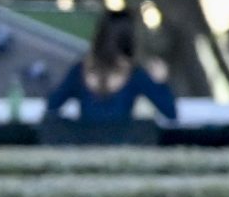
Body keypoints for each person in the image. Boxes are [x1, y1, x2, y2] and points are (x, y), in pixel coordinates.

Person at [43, 8, 178, 126]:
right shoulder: (135, 74)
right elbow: (170, 112)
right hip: (122, 144)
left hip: (87, 143)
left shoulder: (80, 70)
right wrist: (161, 83)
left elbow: (52, 105)